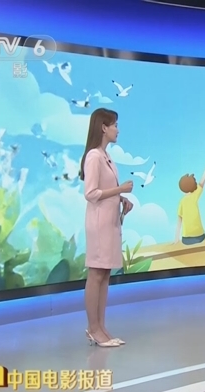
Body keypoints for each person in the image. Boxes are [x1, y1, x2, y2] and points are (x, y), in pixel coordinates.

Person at [80, 108, 134, 348]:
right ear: (104, 127)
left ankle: (101, 327)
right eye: (115, 125)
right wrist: (120, 190)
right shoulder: (93, 156)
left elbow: (105, 190)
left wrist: (121, 199)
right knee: (96, 274)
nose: (118, 130)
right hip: (99, 223)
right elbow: (91, 193)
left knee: (105, 275)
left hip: (109, 221)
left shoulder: (106, 156)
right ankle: (93, 328)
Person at [174, 152, 205, 245]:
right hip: (200, 237)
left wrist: (176, 238)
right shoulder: (195, 195)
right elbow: (203, 180)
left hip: (186, 239)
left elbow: (179, 220)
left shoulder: (182, 202)